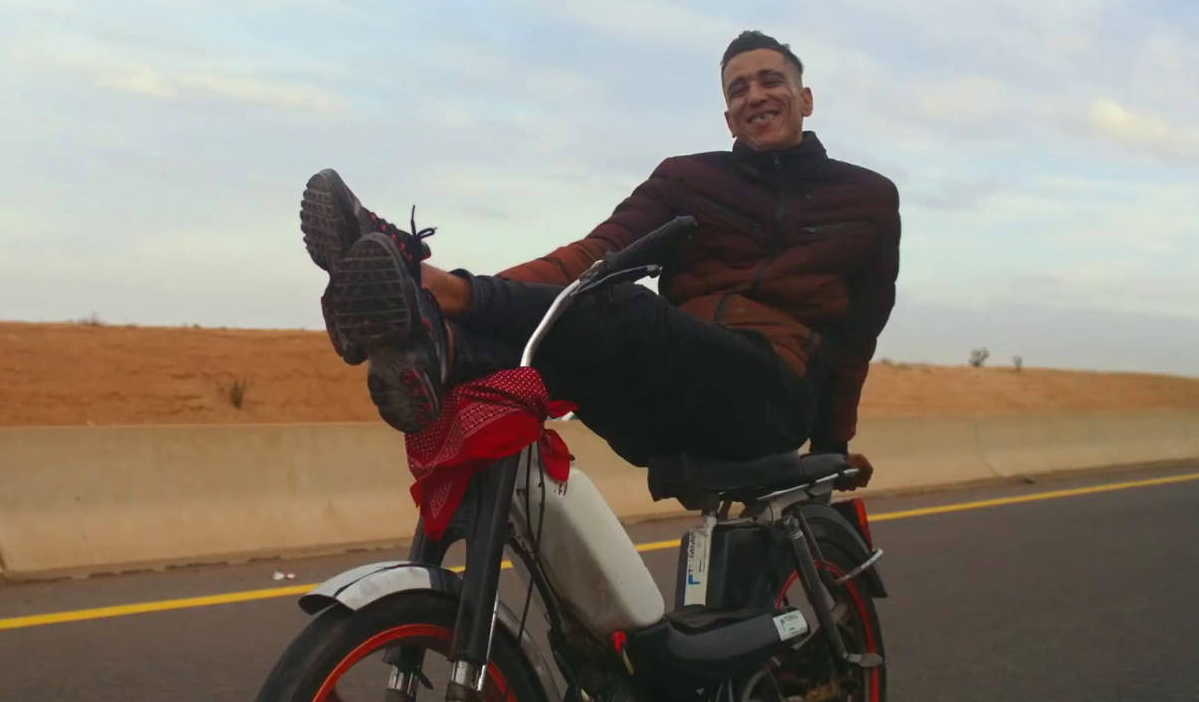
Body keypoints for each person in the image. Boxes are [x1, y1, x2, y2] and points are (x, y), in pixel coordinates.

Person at [301, 30, 899, 489]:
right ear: (727, 117)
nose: (756, 95)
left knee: (624, 311)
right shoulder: (689, 178)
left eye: (770, 80)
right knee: (551, 356)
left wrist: (831, 446)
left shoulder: (869, 198)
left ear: (806, 98)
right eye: (738, 89)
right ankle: (441, 343)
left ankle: (427, 290)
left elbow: (857, 336)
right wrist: (490, 293)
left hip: (770, 396)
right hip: (669, 397)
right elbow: (593, 254)